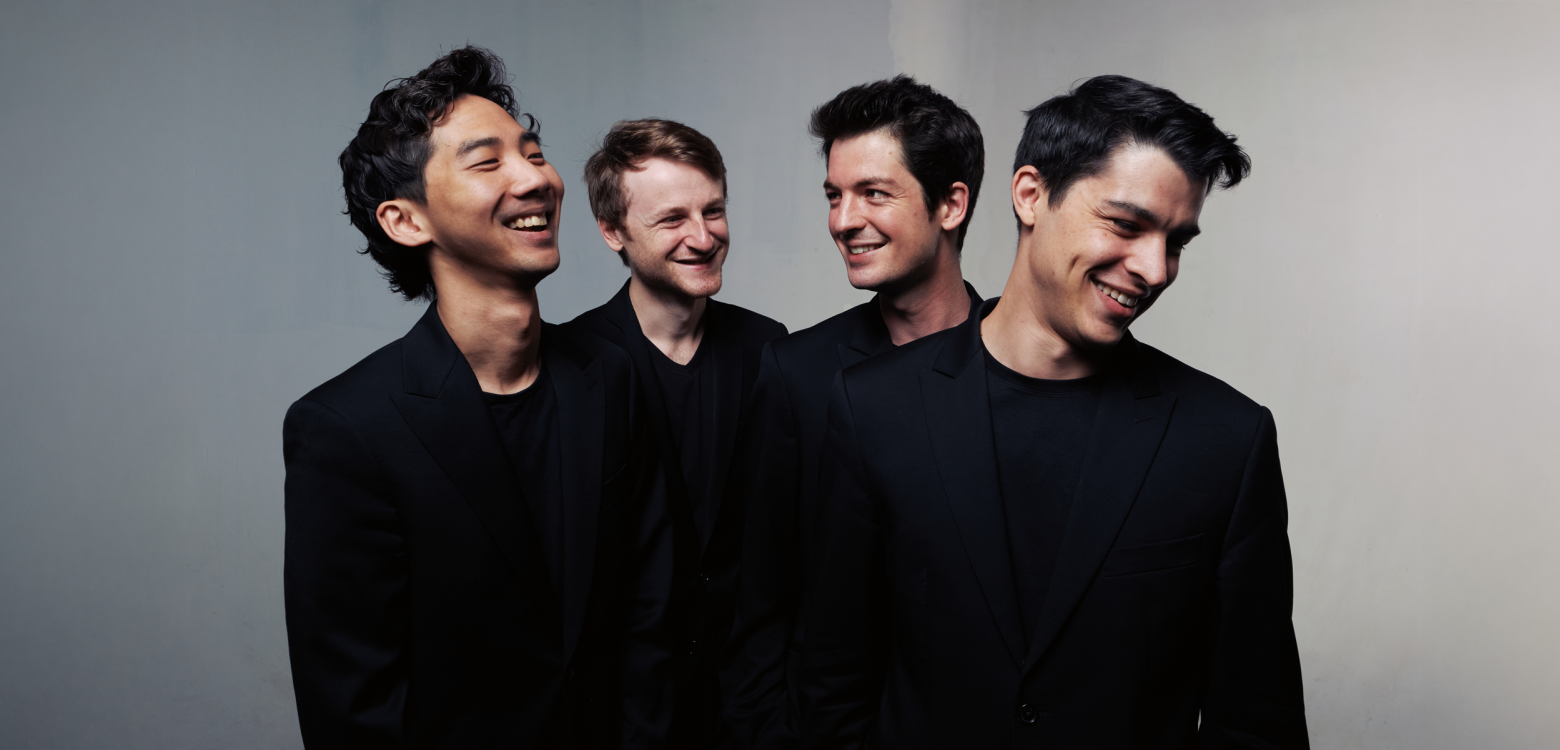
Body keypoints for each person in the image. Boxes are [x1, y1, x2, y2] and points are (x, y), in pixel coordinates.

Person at [799, 75, 1309, 748]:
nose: (1155, 269)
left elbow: (1258, 722)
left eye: (1176, 242)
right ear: (1030, 195)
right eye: (1126, 225)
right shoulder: (872, 407)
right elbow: (833, 685)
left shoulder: (1227, 439)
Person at [282, 46, 671, 748]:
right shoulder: (346, 428)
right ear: (406, 221)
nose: (537, 178)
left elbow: (652, 617)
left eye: (534, 152)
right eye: (487, 163)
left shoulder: (611, 376)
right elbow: (354, 707)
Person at [722, 75, 987, 750]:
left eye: (873, 193)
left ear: (950, 204)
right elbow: (760, 600)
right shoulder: (796, 373)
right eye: (834, 196)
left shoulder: (1020, 369)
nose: (842, 221)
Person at [569, 119, 787, 749]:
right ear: (612, 231)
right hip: (623, 713)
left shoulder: (769, 348)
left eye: (713, 210)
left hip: (750, 708)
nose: (704, 236)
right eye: (672, 219)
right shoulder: (572, 364)